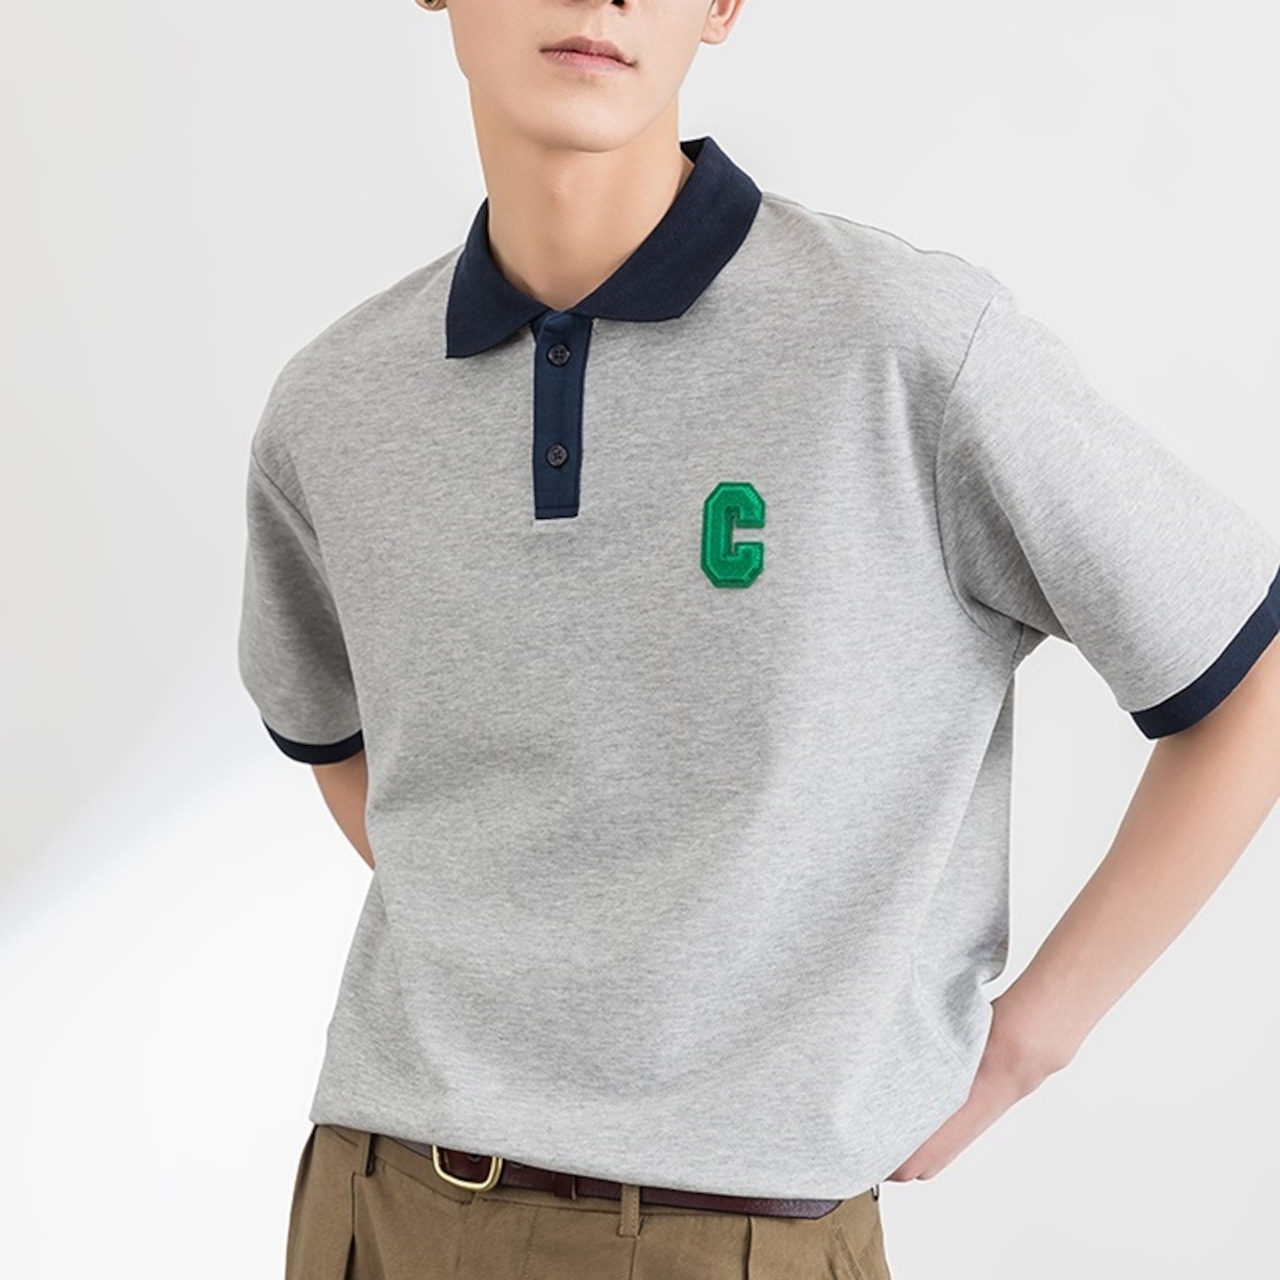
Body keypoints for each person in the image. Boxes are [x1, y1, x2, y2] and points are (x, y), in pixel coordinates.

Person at [235, 1, 1280, 1277]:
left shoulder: (903, 347)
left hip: (732, 1227)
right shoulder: (334, 405)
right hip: (379, 1196)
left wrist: (1026, 1041)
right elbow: (343, 743)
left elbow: (1248, 673)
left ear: (722, 5)